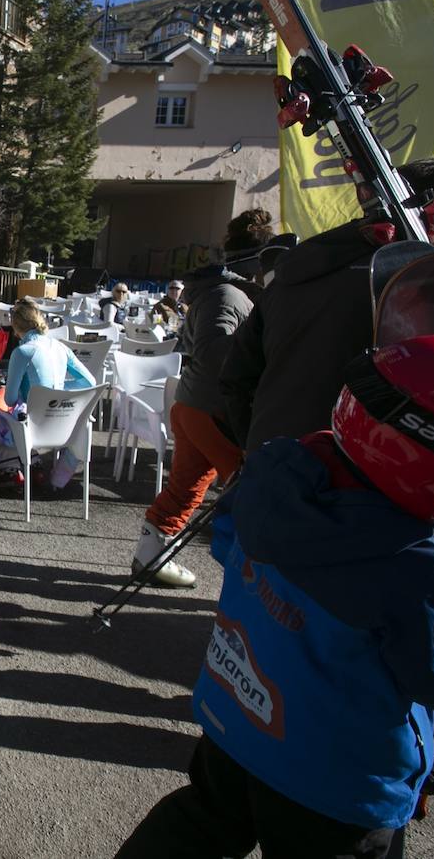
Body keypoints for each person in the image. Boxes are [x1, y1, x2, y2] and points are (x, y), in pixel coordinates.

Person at [115, 335, 434, 859]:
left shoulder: (280, 475)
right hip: (338, 781)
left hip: (237, 724)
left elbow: (229, 540)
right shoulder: (422, 570)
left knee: (201, 821)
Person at [220, 156, 434, 452]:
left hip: (277, 462)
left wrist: (257, 448)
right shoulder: (418, 285)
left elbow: (235, 378)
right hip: (358, 470)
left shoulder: (295, 270)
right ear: (431, 210)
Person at [129, 211, 265, 589]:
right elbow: (214, 351)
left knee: (189, 485)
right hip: (213, 407)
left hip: (196, 403)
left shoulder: (224, 292)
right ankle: (253, 579)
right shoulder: (228, 295)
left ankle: (150, 557)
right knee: (251, 492)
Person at [0, 299, 96, 492]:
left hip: (34, 428)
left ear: (17, 328)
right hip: (65, 426)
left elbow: (10, 399)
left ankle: (12, 469)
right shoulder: (60, 347)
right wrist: (58, 388)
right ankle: (57, 479)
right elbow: (89, 382)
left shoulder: (22, 351)